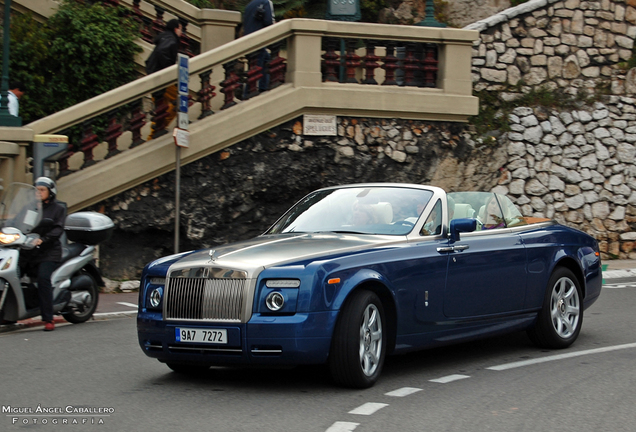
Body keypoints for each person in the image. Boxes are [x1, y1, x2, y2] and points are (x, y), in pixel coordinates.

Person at [24, 178, 67, 331]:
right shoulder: (30, 208)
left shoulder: (58, 209)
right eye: (37, 189)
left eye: (42, 190)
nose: (38, 192)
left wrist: (43, 240)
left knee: (43, 278)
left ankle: (48, 319)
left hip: (49, 251)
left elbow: (57, 229)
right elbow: (21, 224)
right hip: (29, 251)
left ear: (50, 192)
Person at [145, 19, 183, 139]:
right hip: (163, 79)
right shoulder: (171, 40)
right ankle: (158, 129)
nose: (182, 33)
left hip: (155, 77)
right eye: (181, 29)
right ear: (176, 29)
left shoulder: (163, 38)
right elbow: (163, 52)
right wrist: (169, 70)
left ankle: (155, 132)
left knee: (160, 105)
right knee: (180, 100)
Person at [243, 0, 275, 92]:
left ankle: (262, 88)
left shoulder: (249, 4)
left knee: (265, 59)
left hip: (248, 40)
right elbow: (269, 22)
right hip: (259, 41)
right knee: (256, 69)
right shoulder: (266, 2)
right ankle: (248, 93)